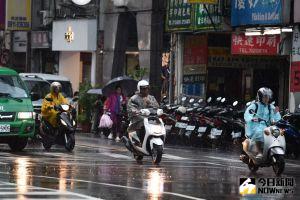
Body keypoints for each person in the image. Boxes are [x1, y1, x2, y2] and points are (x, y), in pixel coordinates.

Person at [243, 87, 281, 159]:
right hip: (255, 125)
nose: (267, 99)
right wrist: (252, 119)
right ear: (260, 97)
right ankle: (259, 151)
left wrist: (276, 118)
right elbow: (247, 114)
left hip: (268, 125)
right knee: (260, 132)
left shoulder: (271, 107)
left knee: (278, 132)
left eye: (268, 97)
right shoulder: (255, 105)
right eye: (265, 97)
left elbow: (276, 116)